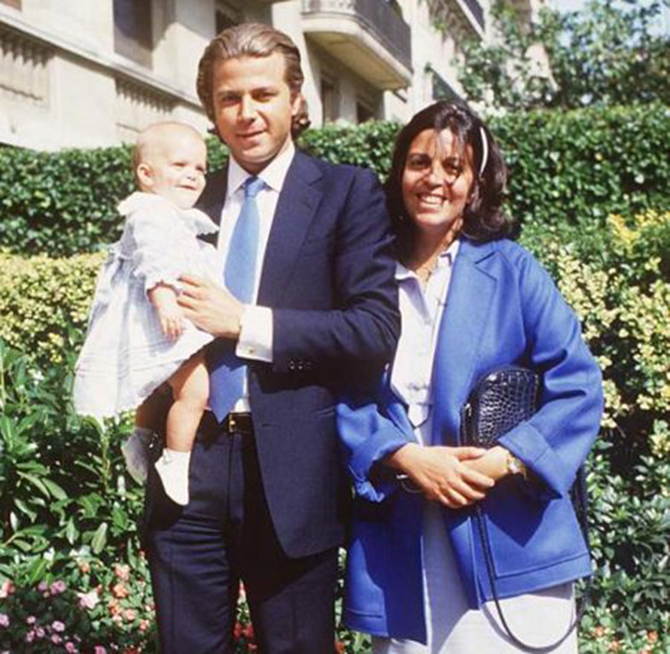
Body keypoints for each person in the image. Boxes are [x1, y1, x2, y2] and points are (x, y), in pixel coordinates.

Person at [142, 23, 400, 654]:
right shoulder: (183, 199)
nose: (247, 112)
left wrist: (247, 323)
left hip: (293, 471)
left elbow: (374, 329)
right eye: (229, 98)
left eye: (263, 94)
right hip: (189, 457)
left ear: (296, 99)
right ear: (211, 109)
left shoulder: (346, 193)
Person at [338, 101, 604, 653]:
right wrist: (404, 456)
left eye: (453, 167)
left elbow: (578, 385)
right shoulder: (366, 276)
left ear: (475, 184)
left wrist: (504, 461)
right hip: (402, 536)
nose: (433, 179)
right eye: (419, 163)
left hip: (507, 530)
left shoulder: (512, 269)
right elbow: (340, 389)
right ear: (400, 172)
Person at [73, 121, 217, 506]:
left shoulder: (172, 214)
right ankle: (176, 459)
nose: (193, 175)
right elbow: (153, 259)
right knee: (195, 389)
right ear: (146, 175)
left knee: (156, 384)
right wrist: (164, 300)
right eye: (180, 165)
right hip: (162, 315)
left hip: (163, 314)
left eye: (200, 168)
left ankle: (140, 438)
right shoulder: (151, 214)